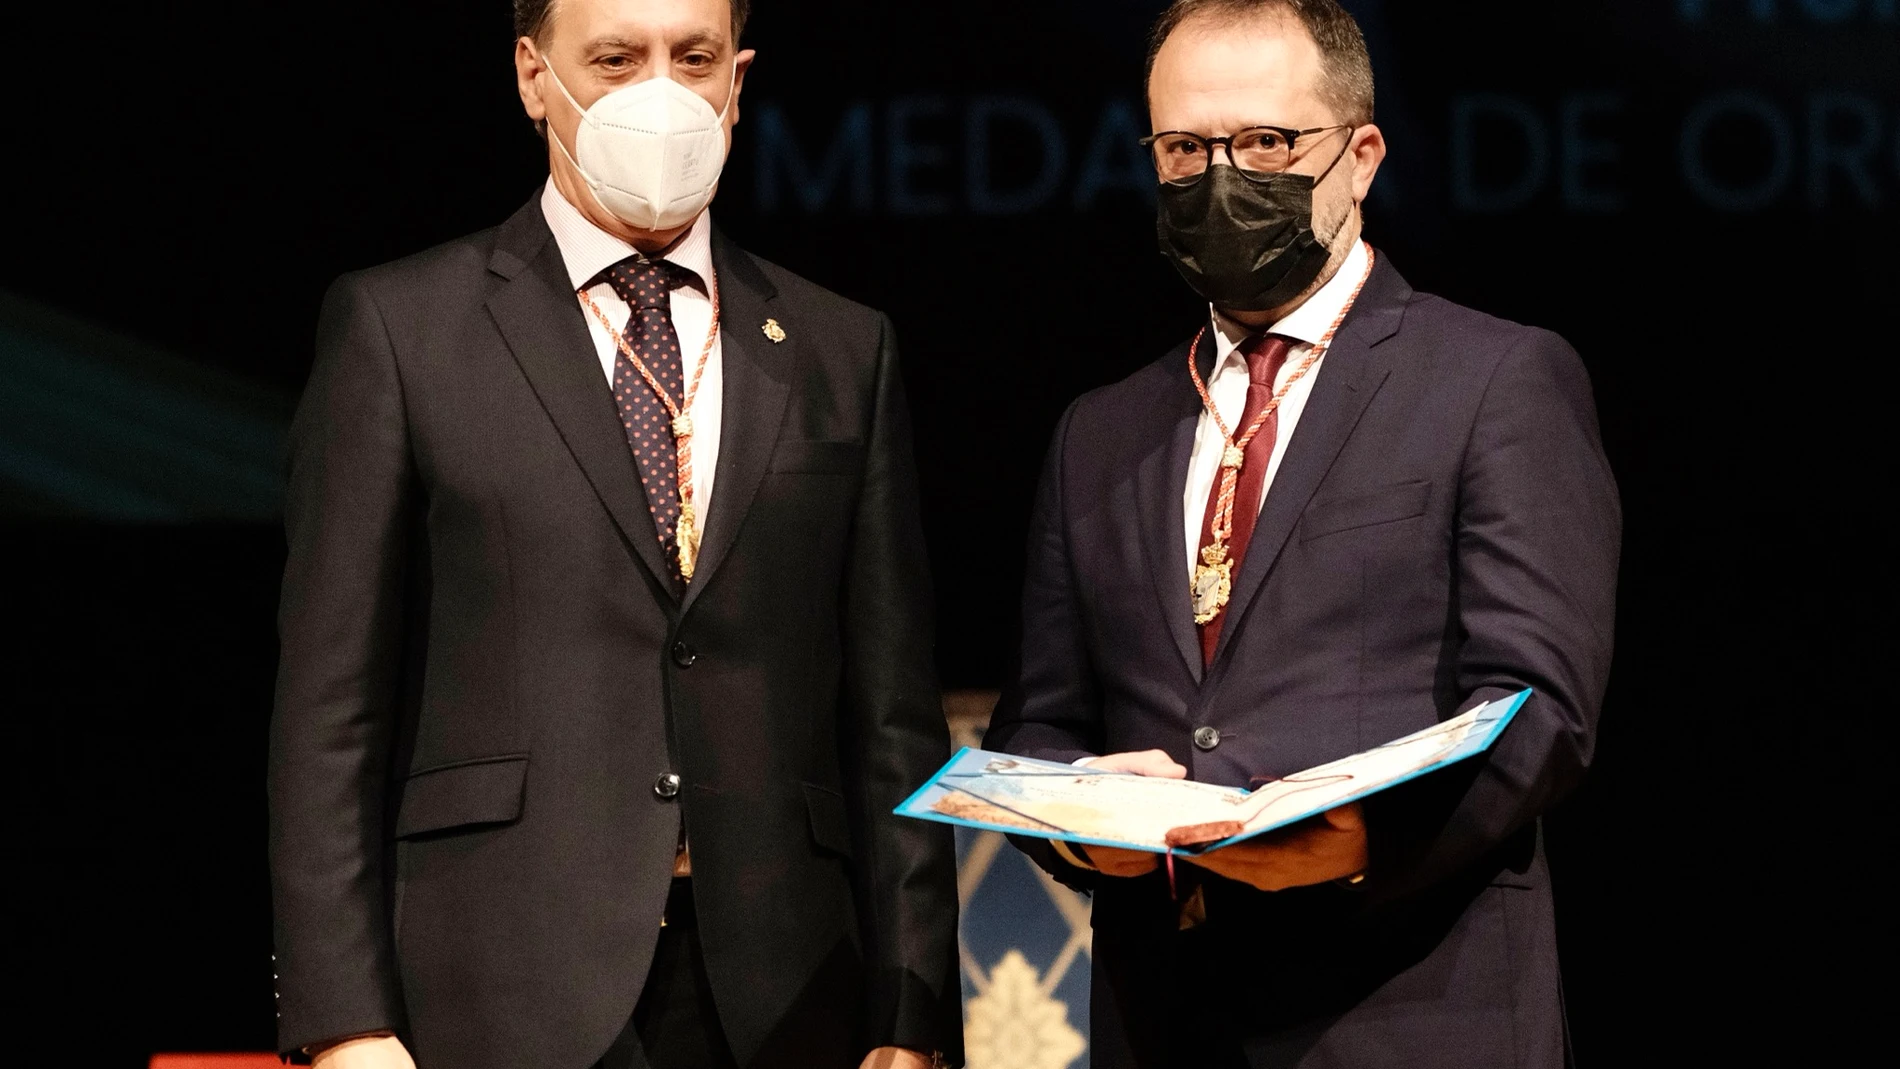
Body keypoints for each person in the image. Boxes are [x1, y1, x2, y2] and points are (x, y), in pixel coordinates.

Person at [267, 1, 961, 1067]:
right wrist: (343, 1021)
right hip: (496, 982)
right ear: (532, 75)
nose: (660, 93)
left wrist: (910, 1022)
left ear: (739, 78)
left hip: (783, 993)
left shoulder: (837, 344)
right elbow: (330, 710)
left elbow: (891, 720)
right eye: (615, 58)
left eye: (693, 59)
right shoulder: (402, 329)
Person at [983, 1, 1620, 1066]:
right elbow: (1040, 724)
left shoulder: (1493, 380)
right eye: (1187, 147)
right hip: (1167, 1020)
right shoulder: (1102, 430)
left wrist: (1368, 840)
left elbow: (1540, 706)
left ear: (1360, 156)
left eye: (1268, 143)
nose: (1222, 178)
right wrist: (1079, 825)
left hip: (1410, 1011)